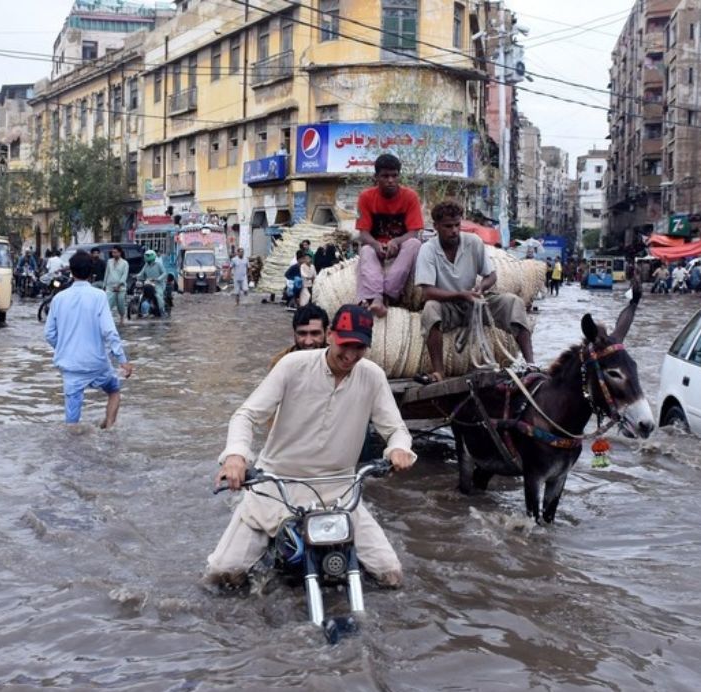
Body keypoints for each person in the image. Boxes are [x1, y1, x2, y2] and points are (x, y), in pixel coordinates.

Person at [207, 303, 416, 589]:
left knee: (391, 574)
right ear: (331, 335)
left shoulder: (372, 376)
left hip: (340, 491)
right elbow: (246, 415)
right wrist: (236, 457)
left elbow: (396, 430)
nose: (351, 355)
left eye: (360, 347)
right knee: (222, 574)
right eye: (346, 345)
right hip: (276, 486)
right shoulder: (293, 366)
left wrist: (398, 450)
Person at [416, 200, 534, 383]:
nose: (454, 230)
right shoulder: (428, 250)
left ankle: (531, 364)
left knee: (513, 303)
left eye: (457, 225)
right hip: (448, 306)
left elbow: (491, 276)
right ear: (436, 226)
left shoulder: (473, 242)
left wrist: (481, 287)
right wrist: (461, 295)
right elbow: (428, 292)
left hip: (474, 301)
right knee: (431, 309)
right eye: (448, 226)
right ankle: (438, 371)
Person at [44, 251, 134, 427]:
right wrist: (123, 360)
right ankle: (108, 429)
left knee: (71, 422)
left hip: (71, 368)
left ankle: (72, 449)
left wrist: (65, 348)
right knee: (114, 391)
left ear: (71, 272)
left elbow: (49, 334)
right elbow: (110, 331)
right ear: (91, 273)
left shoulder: (58, 299)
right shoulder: (99, 296)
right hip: (97, 364)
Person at [356, 153, 424, 317]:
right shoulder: (366, 197)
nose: (390, 180)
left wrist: (397, 241)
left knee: (414, 244)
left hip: (400, 248)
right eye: (385, 176)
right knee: (365, 250)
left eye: (394, 175)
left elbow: (414, 232)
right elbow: (363, 233)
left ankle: (388, 294)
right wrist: (375, 244)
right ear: (376, 177)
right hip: (376, 248)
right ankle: (377, 297)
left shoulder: (410, 196)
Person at [270, 303, 330, 368]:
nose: (308, 342)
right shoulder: (280, 363)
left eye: (315, 333)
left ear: (326, 333)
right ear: (294, 334)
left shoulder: (338, 361)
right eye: (302, 333)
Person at [133, 249, 166, 316]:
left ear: (152, 256)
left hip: (158, 284)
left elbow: (164, 273)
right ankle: (141, 310)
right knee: (141, 295)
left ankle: (162, 310)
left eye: (147, 255)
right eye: (145, 255)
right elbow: (141, 274)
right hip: (148, 284)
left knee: (158, 296)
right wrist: (136, 276)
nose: (146, 257)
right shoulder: (146, 265)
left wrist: (158, 279)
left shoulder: (158, 265)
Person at [103, 245, 129, 324]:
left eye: (115, 252)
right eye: (113, 252)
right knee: (107, 304)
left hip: (121, 288)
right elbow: (106, 273)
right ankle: (106, 320)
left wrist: (119, 285)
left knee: (121, 304)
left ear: (120, 253)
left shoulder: (125, 263)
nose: (114, 254)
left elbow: (124, 275)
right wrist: (104, 285)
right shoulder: (109, 261)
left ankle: (122, 317)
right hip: (110, 287)